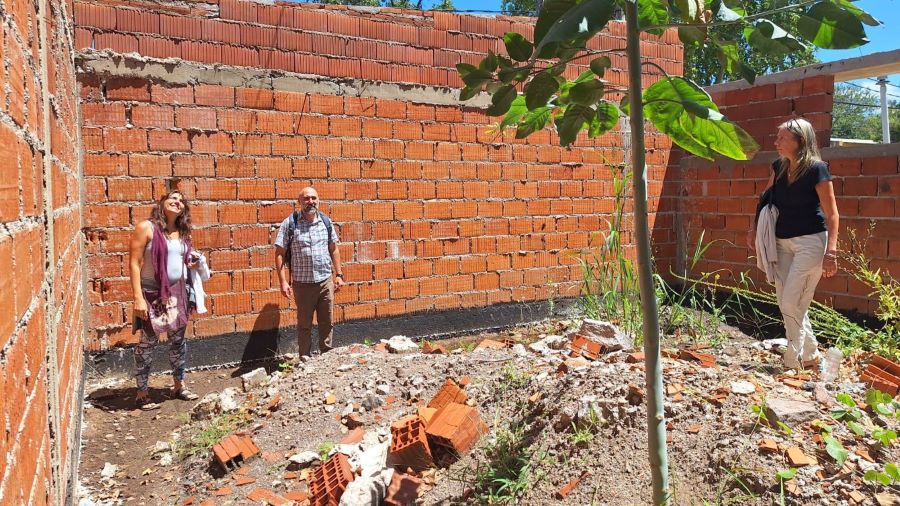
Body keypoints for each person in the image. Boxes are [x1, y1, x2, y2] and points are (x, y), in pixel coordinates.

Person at [748, 118, 839, 370]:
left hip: (811, 243)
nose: (776, 142)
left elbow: (832, 214)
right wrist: (754, 228)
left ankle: (793, 360)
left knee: (791, 302)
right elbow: (765, 198)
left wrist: (831, 251)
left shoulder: (817, 169)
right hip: (780, 242)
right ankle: (811, 355)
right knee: (787, 301)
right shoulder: (778, 166)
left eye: (782, 138)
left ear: (800, 140)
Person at [129, 189, 208, 409]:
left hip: (178, 294)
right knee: (147, 344)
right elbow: (134, 264)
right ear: (162, 202)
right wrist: (138, 298)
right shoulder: (147, 228)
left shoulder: (182, 232)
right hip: (152, 295)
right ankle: (142, 391)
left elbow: (181, 259)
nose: (177, 202)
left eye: (181, 200)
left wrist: (192, 263)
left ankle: (178, 385)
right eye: (173, 198)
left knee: (178, 342)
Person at [275, 187, 345, 356]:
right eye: (306, 199)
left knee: (327, 322)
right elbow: (279, 253)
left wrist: (339, 275)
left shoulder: (326, 222)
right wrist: (283, 281)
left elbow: (333, 249)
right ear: (299, 202)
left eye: (314, 198)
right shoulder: (290, 224)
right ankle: (304, 358)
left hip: (325, 282)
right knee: (304, 325)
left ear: (318, 200)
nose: (310, 202)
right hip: (302, 285)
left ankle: (326, 356)